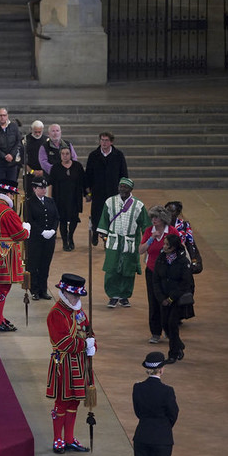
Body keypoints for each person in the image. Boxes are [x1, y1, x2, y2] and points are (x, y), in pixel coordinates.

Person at [46, 274, 96, 454]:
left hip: (80, 363)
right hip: (64, 363)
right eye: (74, 295)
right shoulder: (56, 313)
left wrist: (93, 344)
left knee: (74, 402)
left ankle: (69, 438)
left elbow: (88, 330)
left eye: (78, 296)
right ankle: (57, 438)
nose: (77, 298)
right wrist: (85, 345)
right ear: (64, 293)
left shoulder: (79, 311)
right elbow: (63, 343)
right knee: (62, 402)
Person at [0, 177, 30, 331]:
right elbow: (20, 235)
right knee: (2, 287)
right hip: (5, 254)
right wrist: (27, 229)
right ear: (8, 194)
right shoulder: (7, 212)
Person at [96, 177, 151, 309]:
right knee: (111, 268)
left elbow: (146, 225)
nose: (122, 189)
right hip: (114, 240)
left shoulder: (138, 205)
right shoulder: (110, 201)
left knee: (128, 269)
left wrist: (147, 240)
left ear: (131, 189)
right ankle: (113, 295)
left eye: (125, 187)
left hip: (130, 241)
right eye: (120, 186)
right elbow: (104, 217)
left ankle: (125, 296)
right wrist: (102, 232)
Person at [139, 205, 178, 345]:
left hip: (168, 272)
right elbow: (141, 250)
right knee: (153, 301)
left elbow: (178, 249)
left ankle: (168, 329)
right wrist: (151, 239)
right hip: (152, 272)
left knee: (167, 301)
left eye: (156, 218)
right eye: (152, 218)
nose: (154, 220)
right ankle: (155, 333)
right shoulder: (149, 231)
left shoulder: (172, 231)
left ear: (163, 219)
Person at [153, 234, 193, 364]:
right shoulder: (161, 258)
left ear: (173, 248)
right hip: (163, 298)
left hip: (177, 300)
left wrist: (171, 298)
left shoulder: (183, 262)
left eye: (166, 245)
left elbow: (185, 283)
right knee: (164, 324)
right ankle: (178, 345)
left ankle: (173, 353)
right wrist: (161, 297)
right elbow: (156, 280)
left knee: (172, 324)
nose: (163, 247)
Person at [84, 131, 129, 242]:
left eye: (106, 140)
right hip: (98, 191)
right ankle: (95, 232)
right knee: (97, 214)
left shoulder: (118, 155)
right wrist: (87, 192)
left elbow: (123, 174)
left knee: (112, 215)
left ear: (111, 142)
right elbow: (88, 175)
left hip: (113, 191)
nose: (104, 143)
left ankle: (107, 238)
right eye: (102, 140)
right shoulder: (93, 155)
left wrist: (124, 191)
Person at [25, 177, 58, 301]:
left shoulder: (50, 201)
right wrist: (42, 231)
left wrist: (53, 230)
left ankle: (43, 289)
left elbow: (56, 217)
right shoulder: (29, 202)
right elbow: (29, 220)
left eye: (44, 188)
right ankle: (34, 290)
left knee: (45, 264)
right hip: (35, 239)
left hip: (49, 239)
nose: (43, 190)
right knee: (34, 265)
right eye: (40, 188)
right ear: (34, 189)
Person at [165, 200, 197, 321]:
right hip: (166, 259)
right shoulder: (161, 225)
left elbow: (190, 242)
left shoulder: (184, 225)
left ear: (178, 212)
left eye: (171, 210)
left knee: (185, 285)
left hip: (182, 258)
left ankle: (180, 313)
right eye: (167, 210)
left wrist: (194, 259)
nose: (169, 213)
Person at [50, 146, 85, 251]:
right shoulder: (55, 167)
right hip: (60, 198)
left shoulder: (77, 166)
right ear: (60, 155)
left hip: (74, 197)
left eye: (67, 154)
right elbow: (51, 183)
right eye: (63, 154)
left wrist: (88, 194)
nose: (65, 156)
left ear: (71, 155)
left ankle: (71, 237)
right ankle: (65, 241)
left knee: (74, 218)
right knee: (63, 220)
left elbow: (83, 181)